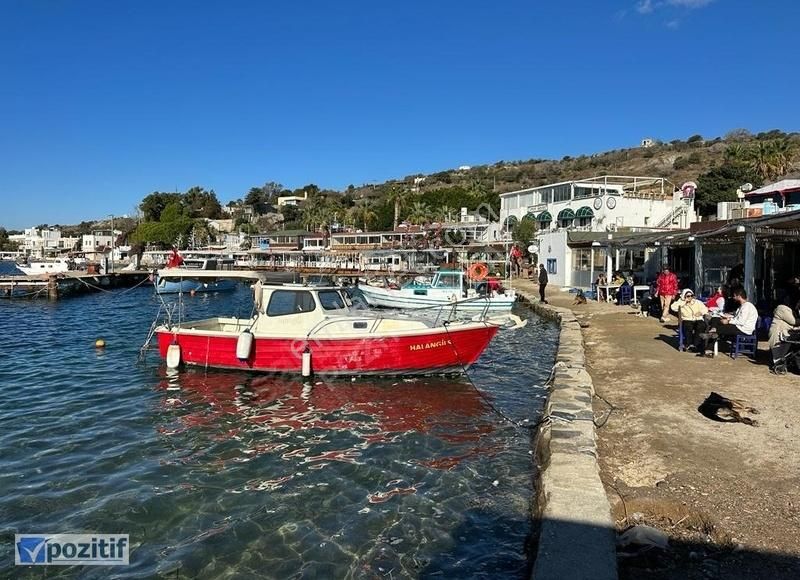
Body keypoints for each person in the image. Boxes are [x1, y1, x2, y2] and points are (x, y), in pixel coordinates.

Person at [699, 287, 758, 357]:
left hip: (743, 329)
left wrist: (728, 321)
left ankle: (709, 343)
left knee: (719, 328)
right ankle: (713, 331)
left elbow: (741, 322)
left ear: (739, 296)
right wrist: (728, 317)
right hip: (739, 326)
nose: (733, 297)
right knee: (715, 319)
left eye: (734, 296)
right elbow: (738, 318)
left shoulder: (747, 307)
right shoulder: (742, 306)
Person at [768, 294, 800, 368]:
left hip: (784, 332)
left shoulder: (790, 311)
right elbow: (794, 322)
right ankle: (780, 362)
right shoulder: (782, 308)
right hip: (778, 334)